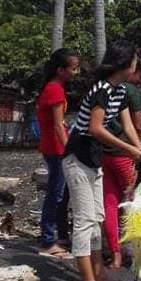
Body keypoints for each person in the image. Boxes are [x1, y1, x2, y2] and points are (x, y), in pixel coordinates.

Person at [62, 41, 141, 281]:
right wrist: (129, 150)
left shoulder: (120, 90)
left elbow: (127, 126)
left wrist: (140, 151)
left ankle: (99, 276)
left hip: (94, 159)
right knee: (84, 221)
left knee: (98, 216)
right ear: (125, 65)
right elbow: (97, 128)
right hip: (78, 158)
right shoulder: (101, 90)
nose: (136, 65)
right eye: (134, 60)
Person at [100, 56, 141, 269]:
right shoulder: (130, 91)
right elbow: (135, 125)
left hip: (104, 153)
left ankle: (115, 255)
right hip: (124, 154)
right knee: (134, 202)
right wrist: (139, 152)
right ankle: (140, 252)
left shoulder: (103, 88)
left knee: (110, 205)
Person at [36, 48, 80, 256]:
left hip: (55, 146)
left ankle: (60, 235)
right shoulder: (55, 90)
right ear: (61, 70)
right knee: (55, 194)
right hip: (56, 148)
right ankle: (47, 240)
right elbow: (56, 125)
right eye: (73, 68)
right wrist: (69, 150)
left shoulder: (54, 88)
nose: (76, 72)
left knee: (62, 194)